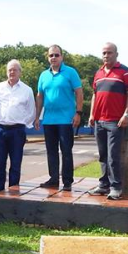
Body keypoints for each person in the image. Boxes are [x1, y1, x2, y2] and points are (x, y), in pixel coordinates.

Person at [88, 42, 128, 200]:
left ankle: (116, 187)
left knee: (113, 156)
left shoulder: (125, 72)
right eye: (104, 53)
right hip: (99, 121)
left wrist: (127, 114)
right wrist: (91, 114)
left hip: (115, 121)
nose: (106, 56)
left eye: (109, 53)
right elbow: (95, 94)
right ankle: (103, 185)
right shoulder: (99, 73)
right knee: (102, 155)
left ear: (116, 54)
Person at [35, 45, 83, 192]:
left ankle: (67, 181)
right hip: (49, 120)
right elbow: (40, 96)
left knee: (66, 151)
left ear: (62, 57)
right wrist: (37, 116)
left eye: (56, 55)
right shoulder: (43, 75)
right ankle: (54, 179)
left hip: (66, 120)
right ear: (48, 58)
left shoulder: (70, 72)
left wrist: (78, 113)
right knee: (51, 151)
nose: (53, 58)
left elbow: (79, 93)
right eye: (51, 55)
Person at [0, 59, 36, 192]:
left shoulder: (27, 90)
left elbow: (31, 111)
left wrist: (22, 124)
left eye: (15, 69)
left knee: (15, 165)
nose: (12, 72)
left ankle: (13, 194)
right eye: (9, 69)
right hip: (0, 129)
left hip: (17, 131)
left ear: (20, 72)